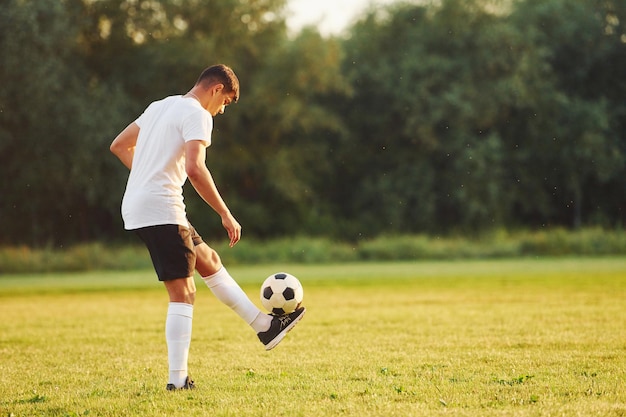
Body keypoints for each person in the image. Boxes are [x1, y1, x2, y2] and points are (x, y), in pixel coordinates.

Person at [110, 64, 305, 391]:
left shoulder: (160, 106)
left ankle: (265, 326)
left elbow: (119, 145)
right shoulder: (198, 114)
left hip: (145, 204)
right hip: (161, 208)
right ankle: (177, 381)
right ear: (216, 89)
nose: (222, 110)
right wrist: (225, 213)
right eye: (225, 102)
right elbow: (195, 168)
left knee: (208, 260)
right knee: (183, 293)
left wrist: (148, 173)